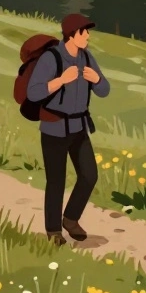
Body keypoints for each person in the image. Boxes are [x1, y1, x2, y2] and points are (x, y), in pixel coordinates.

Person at [25, 13, 110, 246]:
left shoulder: (87, 57)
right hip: (54, 127)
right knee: (56, 181)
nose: (89, 36)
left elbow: (104, 90)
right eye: (85, 32)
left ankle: (70, 219)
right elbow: (34, 92)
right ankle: (53, 231)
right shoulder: (51, 58)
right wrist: (61, 80)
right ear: (72, 34)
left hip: (79, 126)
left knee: (89, 175)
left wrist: (97, 80)